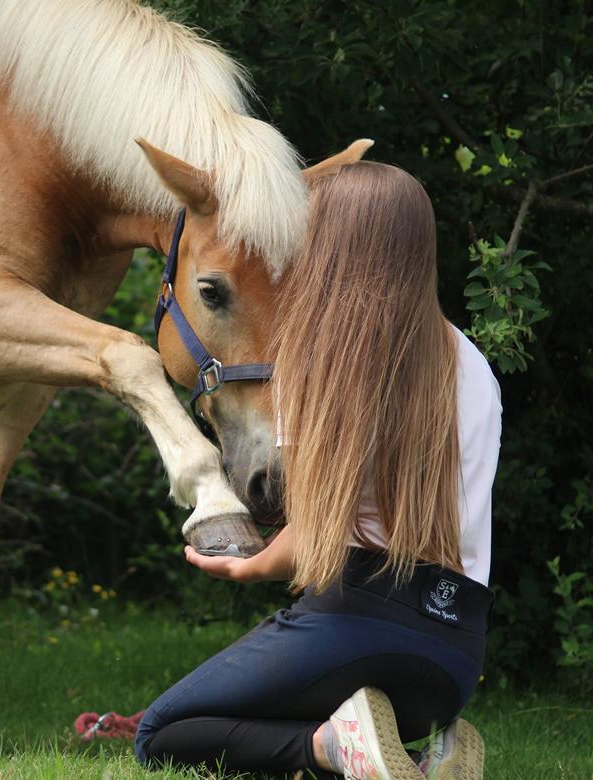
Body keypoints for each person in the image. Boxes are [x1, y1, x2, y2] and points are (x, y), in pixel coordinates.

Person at [133, 161, 503, 779]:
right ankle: (418, 754)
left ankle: (331, 748)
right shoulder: (474, 365)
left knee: (163, 731)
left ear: (331, 246)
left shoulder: (325, 358)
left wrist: (250, 565)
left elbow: (314, 537)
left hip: (355, 621)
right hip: (453, 660)